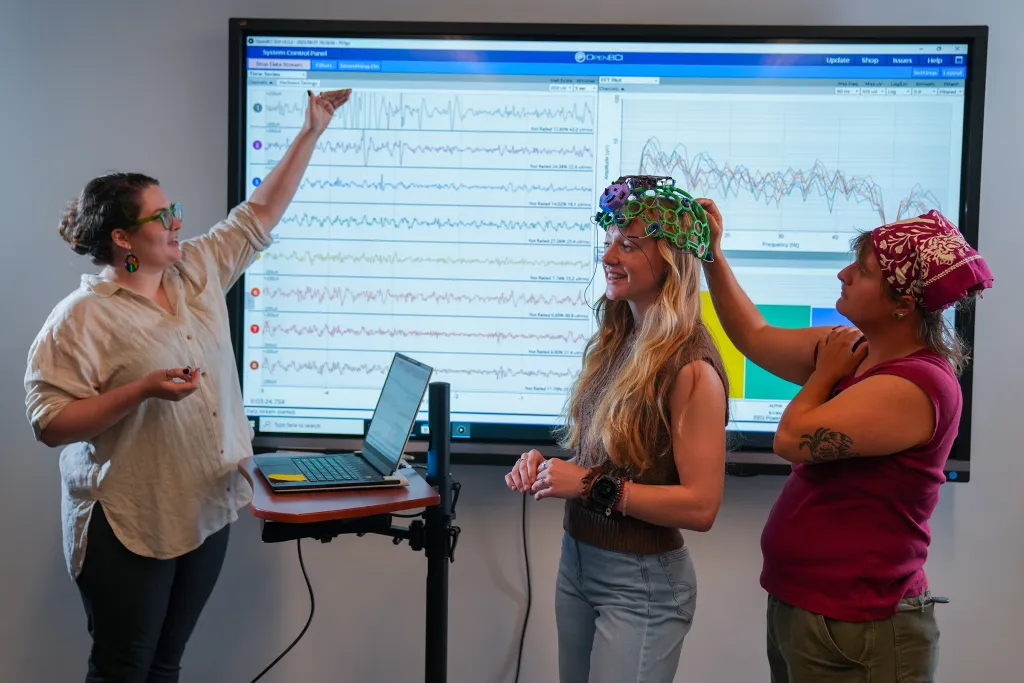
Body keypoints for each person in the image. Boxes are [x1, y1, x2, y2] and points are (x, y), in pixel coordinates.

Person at [24, 88, 352, 683]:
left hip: (200, 506)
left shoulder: (194, 269)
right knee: (125, 668)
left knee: (166, 666)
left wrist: (311, 132)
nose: (178, 223)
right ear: (122, 239)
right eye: (161, 216)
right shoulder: (81, 317)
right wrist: (142, 391)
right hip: (127, 521)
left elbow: (259, 215)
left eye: (175, 211)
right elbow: (49, 424)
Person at [698, 201, 993, 683]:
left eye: (863, 271)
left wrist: (826, 373)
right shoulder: (855, 349)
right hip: (812, 611)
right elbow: (755, 336)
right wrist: (711, 254)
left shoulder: (917, 386)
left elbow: (791, 439)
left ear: (903, 302)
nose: (843, 274)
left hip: (861, 628)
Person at [505, 175, 730, 683]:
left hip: (641, 585)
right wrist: (550, 467)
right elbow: (620, 457)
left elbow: (701, 505)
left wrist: (587, 485)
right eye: (610, 240)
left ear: (670, 261)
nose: (608, 256)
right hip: (578, 562)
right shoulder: (619, 339)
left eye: (630, 245)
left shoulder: (691, 366)